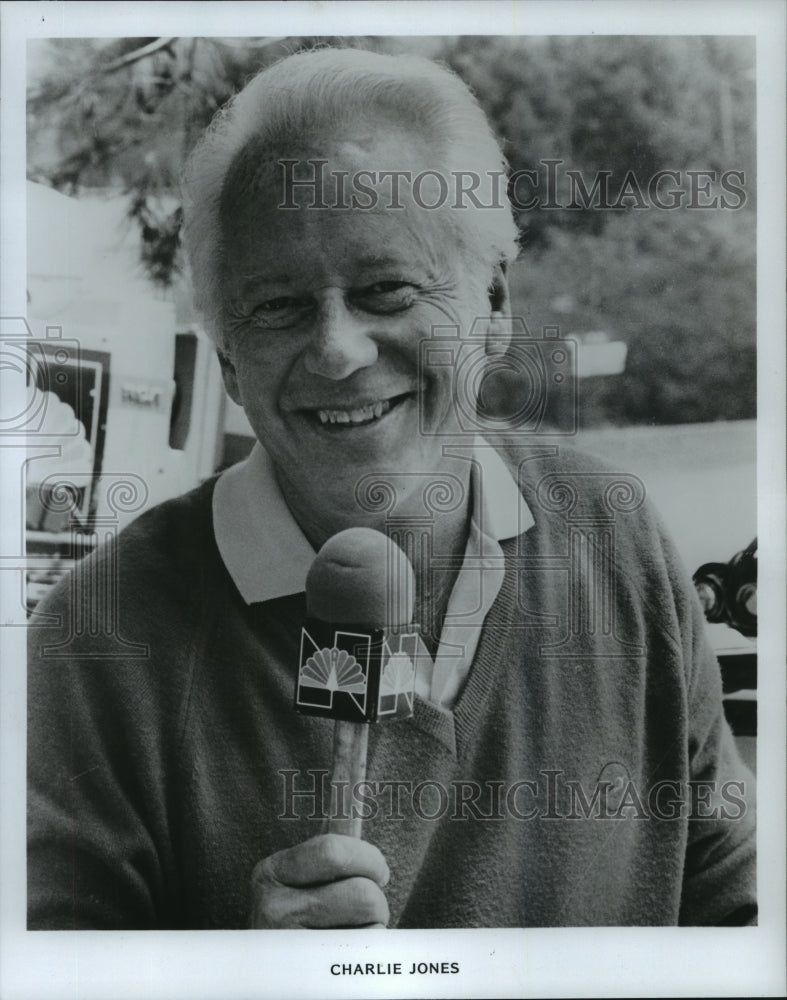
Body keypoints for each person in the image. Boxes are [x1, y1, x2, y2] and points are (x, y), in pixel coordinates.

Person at [27, 47, 756, 930]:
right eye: (277, 307)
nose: (338, 351)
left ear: (492, 305)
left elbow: (733, 907)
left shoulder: (614, 531)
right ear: (226, 355)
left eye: (386, 289)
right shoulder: (90, 644)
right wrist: (227, 981)